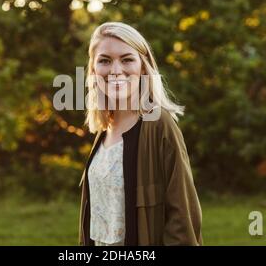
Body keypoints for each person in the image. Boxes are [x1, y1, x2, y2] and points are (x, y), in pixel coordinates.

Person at [78, 22, 203, 246]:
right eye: (105, 60)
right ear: (94, 69)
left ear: (143, 67)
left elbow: (182, 216)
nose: (116, 70)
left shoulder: (159, 124)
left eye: (127, 59)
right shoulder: (105, 130)